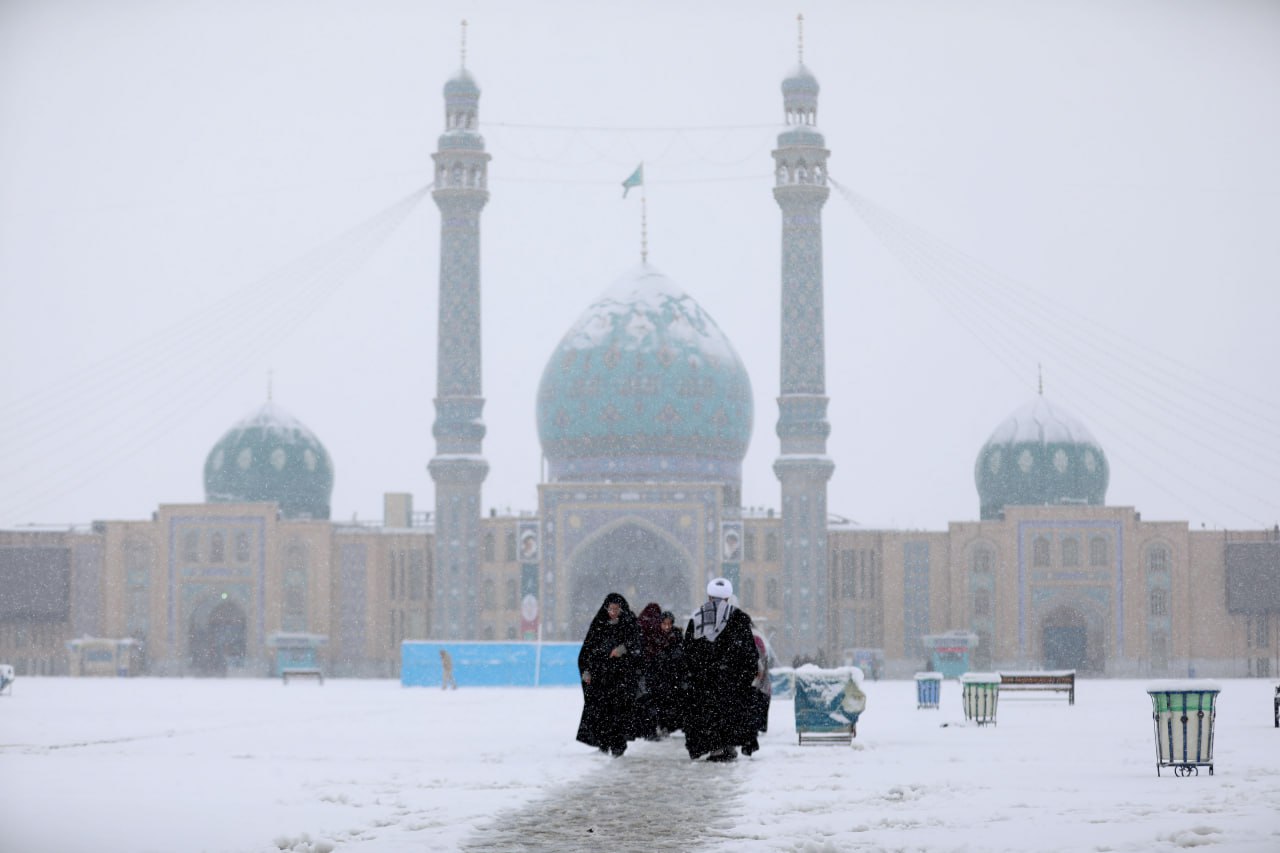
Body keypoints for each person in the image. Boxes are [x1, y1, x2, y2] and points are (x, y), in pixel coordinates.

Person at [682, 578, 760, 761]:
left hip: (705, 680)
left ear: (709, 597)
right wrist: (744, 675)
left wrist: (695, 673)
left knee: (708, 714)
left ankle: (715, 747)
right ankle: (728, 745)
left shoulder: (697, 618)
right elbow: (749, 651)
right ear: (728, 597)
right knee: (729, 713)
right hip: (731, 680)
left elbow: (688, 652)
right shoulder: (738, 618)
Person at [575, 592, 642, 757]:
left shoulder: (628, 623)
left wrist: (623, 649)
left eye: (616, 609)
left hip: (621, 679)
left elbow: (637, 644)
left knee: (618, 713)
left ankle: (618, 746)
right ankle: (603, 744)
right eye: (610, 609)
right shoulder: (599, 623)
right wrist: (586, 670)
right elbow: (587, 649)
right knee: (601, 712)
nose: (613, 612)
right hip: (601, 678)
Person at [635, 603, 686, 739]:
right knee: (653, 703)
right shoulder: (652, 635)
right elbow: (647, 654)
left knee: (668, 704)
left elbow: (680, 653)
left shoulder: (675, 636)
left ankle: (665, 727)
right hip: (655, 676)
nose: (667, 627)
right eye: (664, 624)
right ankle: (652, 729)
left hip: (670, 677)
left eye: (669, 624)